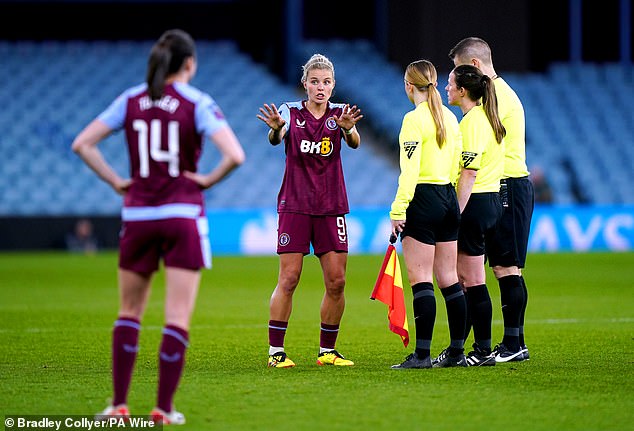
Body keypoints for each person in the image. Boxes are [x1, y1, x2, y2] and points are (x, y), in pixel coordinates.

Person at [71, 29, 245, 424]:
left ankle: (118, 406)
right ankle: (163, 409)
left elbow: (82, 143)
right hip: (182, 214)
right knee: (176, 316)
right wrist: (205, 180)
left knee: (129, 311)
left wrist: (117, 181)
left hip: (138, 216)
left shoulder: (131, 99)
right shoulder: (196, 102)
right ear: (189, 64)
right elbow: (235, 154)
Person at [256, 53, 363, 368]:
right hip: (296, 206)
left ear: (333, 86)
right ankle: (276, 351)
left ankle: (327, 351)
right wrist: (276, 129)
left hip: (331, 207)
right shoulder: (289, 112)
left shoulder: (341, 114)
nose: (321, 87)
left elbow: (354, 142)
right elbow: (275, 138)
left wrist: (347, 130)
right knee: (289, 278)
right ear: (305, 83)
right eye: (314, 81)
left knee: (337, 281)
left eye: (326, 82)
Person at [449, 37, 534, 362]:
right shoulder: (498, 97)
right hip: (501, 186)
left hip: (507, 185)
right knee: (494, 268)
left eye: (458, 72)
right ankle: (506, 344)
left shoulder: (493, 100)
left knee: (506, 267)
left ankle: (512, 344)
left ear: (474, 67)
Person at [388, 60, 466, 369]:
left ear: (409, 86)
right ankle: (457, 351)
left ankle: (422, 355)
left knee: (420, 278)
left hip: (423, 198)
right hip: (448, 196)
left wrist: (398, 209)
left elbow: (410, 170)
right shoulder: (449, 117)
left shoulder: (413, 120)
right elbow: (458, 166)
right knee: (449, 278)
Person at [445, 64, 505, 367]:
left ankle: (481, 351)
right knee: (469, 279)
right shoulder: (487, 119)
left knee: (471, 280)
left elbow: (468, 173)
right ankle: (462, 348)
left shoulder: (471, 124)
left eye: (450, 84)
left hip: (475, 202)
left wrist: (455, 212)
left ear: (462, 91)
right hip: (491, 200)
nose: (446, 88)